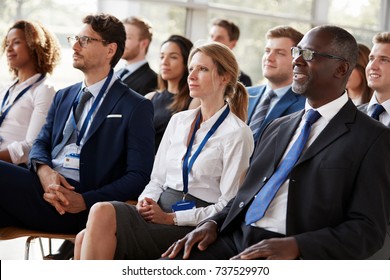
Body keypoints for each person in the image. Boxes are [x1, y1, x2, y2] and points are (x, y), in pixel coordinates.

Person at [162, 25, 390, 260]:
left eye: (309, 55)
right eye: (296, 52)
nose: (297, 61)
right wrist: (212, 223)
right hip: (236, 237)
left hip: (291, 250)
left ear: (341, 69)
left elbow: (368, 230)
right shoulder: (278, 127)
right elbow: (245, 195)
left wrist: (298, 246)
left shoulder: (373, 138)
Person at [73, 42, 254, 260]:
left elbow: (228, 205)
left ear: (224, 77)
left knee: (102, 211)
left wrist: (171, 218)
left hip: (192, 224)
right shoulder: (178, 120)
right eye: (191, 69)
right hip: (158, 211)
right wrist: (146, 201)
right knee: (84, 236)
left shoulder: (237, 133)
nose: (192, 76)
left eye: (202, 69)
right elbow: (157, 179)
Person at [0, 13, 155, 256]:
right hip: (45, 188)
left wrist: (85, 201)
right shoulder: (64, 95)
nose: (74, 45)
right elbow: (41, 143)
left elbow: (139, 176)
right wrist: (44, 171)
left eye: (85, 40)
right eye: (76, 38)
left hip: (80, 204)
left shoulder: (135, 106)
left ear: (109, 50)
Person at [0, 20, 61, 165]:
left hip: (14, 168)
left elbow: (31, 147)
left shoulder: (44, 90)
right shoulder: (6, 89)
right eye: (7, 44)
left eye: (16, 42)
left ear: (34, 46)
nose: (8, 49)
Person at [359, 32, 390, 259]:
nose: (373, 65)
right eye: (371, 58)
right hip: (340, 235)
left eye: (384, 60)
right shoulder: (349, 117)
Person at [247, 26, 305, 143]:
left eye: (280, 53)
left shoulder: (305, 106)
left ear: (297, 60)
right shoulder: (243, 95)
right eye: (267, 51)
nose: (269, 58)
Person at [145, 35, 199, 152]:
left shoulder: (194, 101)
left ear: (187, 63)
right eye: (162, 56)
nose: (164, 62)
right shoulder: (150, 98)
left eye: (173, 57)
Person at [116, 16, 157, 95]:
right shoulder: (116, 73)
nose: (121, 42)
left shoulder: (152, 80)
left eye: (127, 37)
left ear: (143, 43)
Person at [210, 18, 252, 86]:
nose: (212, 41)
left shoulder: (243, 80)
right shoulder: (195, 71)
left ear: (233, 44)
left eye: (219, 38)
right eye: (212, 36)